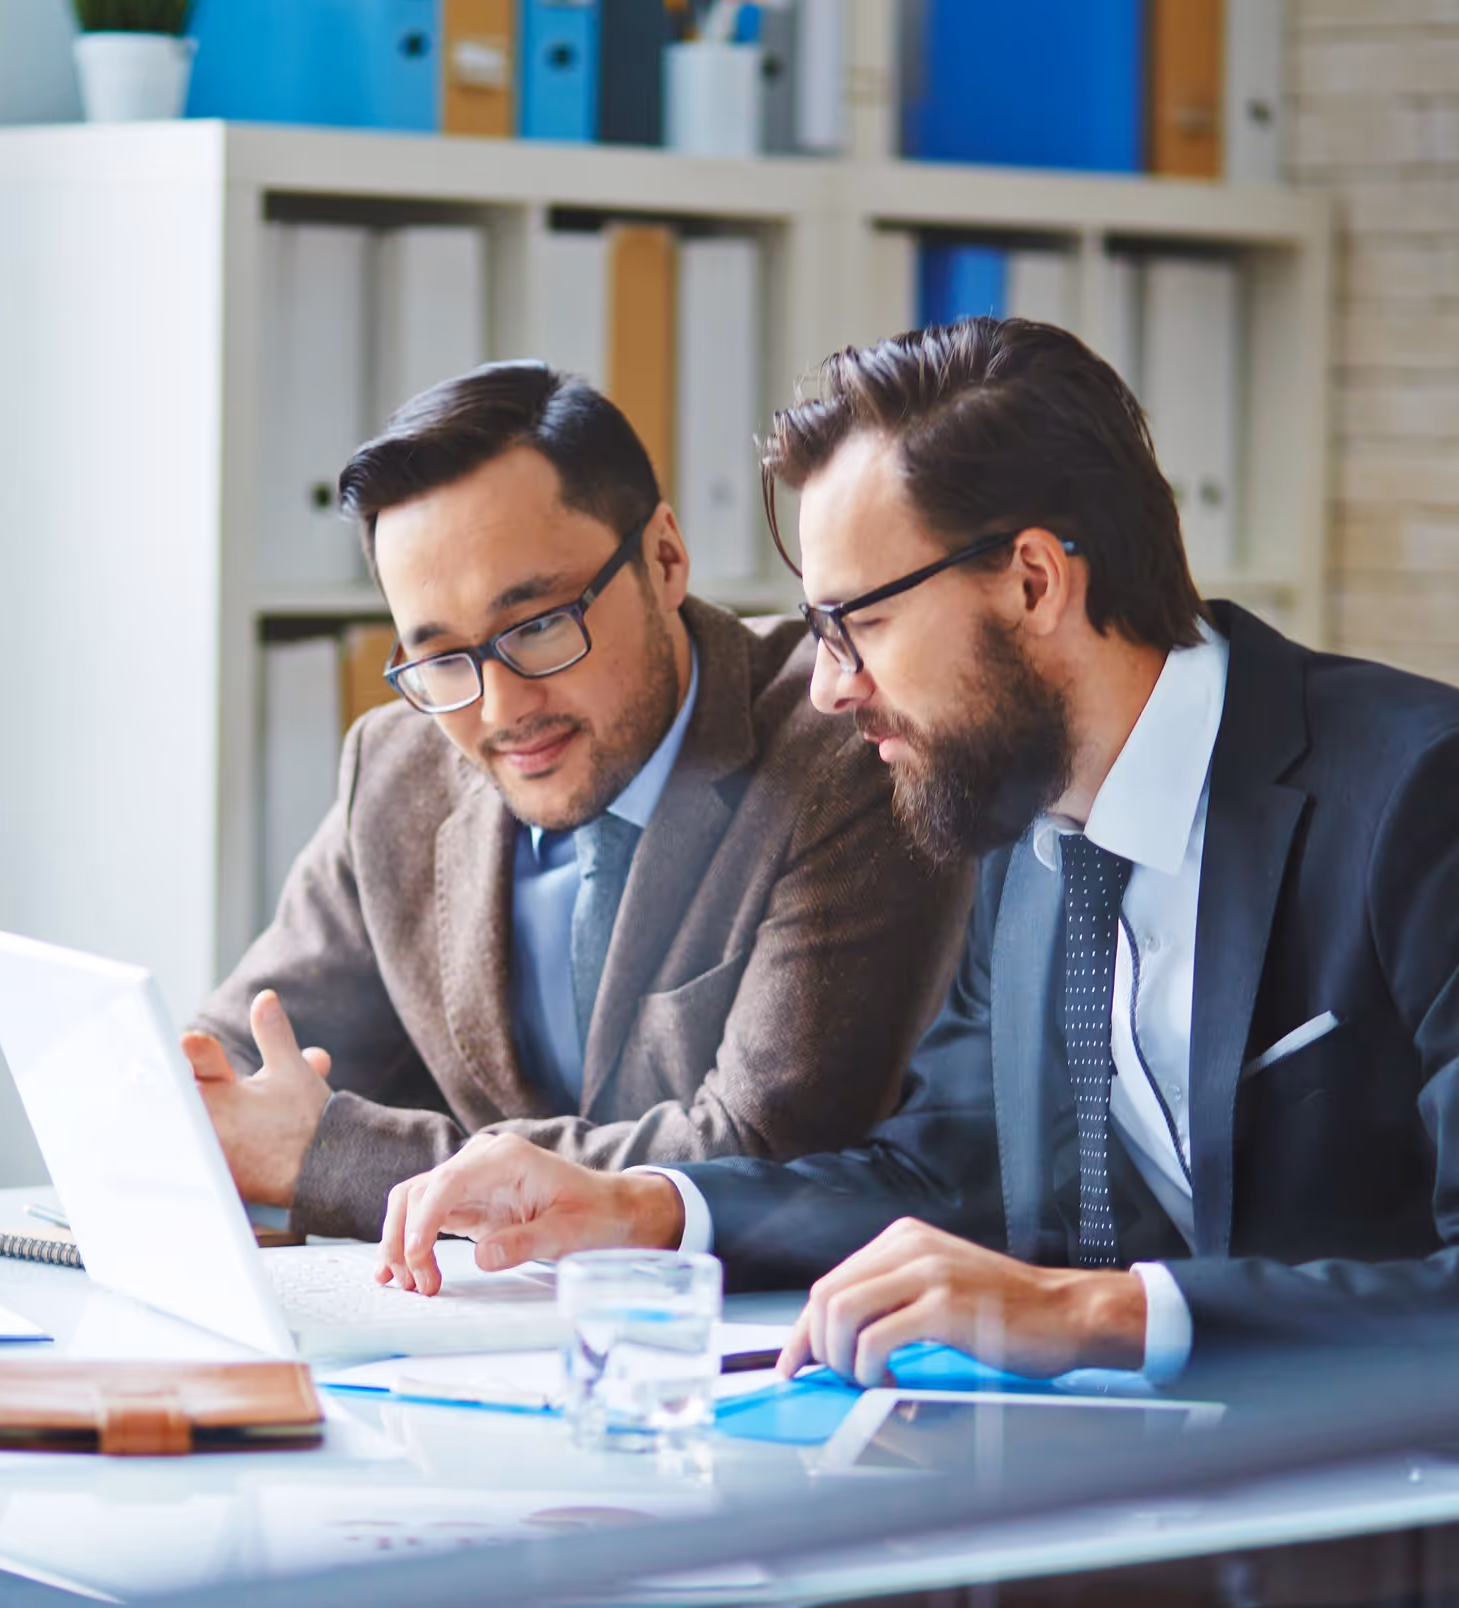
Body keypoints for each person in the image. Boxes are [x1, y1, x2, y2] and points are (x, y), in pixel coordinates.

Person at [374, 321, 1459, 1384]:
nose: (832, 687)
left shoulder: (1434, 799)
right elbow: (937, 1167)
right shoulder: (1026, 835)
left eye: (858, 626)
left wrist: (1098, 1311)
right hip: (1248, 1518)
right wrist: (643, 1209)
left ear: (1034, 582)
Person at [183, 361, 972, 1240]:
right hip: (470, 1344)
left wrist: (333, 1158)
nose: (501, 709)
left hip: (743, 1338)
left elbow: (760, 1151)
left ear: (666, 559)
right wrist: (184, 1103)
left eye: (540, 627)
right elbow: (233, 1065)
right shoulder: (397, 768)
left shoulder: (844, 747)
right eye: (442, 657)